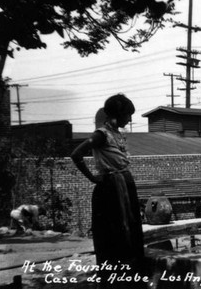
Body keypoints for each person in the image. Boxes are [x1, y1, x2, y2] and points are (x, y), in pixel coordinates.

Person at [71, 94, 145, 288]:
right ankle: (114, 278)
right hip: (112, 188)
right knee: (114, 232)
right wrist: (92, 178)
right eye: (127, 115)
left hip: (125, 184)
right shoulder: (101, 134)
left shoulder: (118, 134)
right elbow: (76, 154)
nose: (129, 119)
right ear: (117, 114)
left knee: (131, 229)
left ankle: (131, 276)